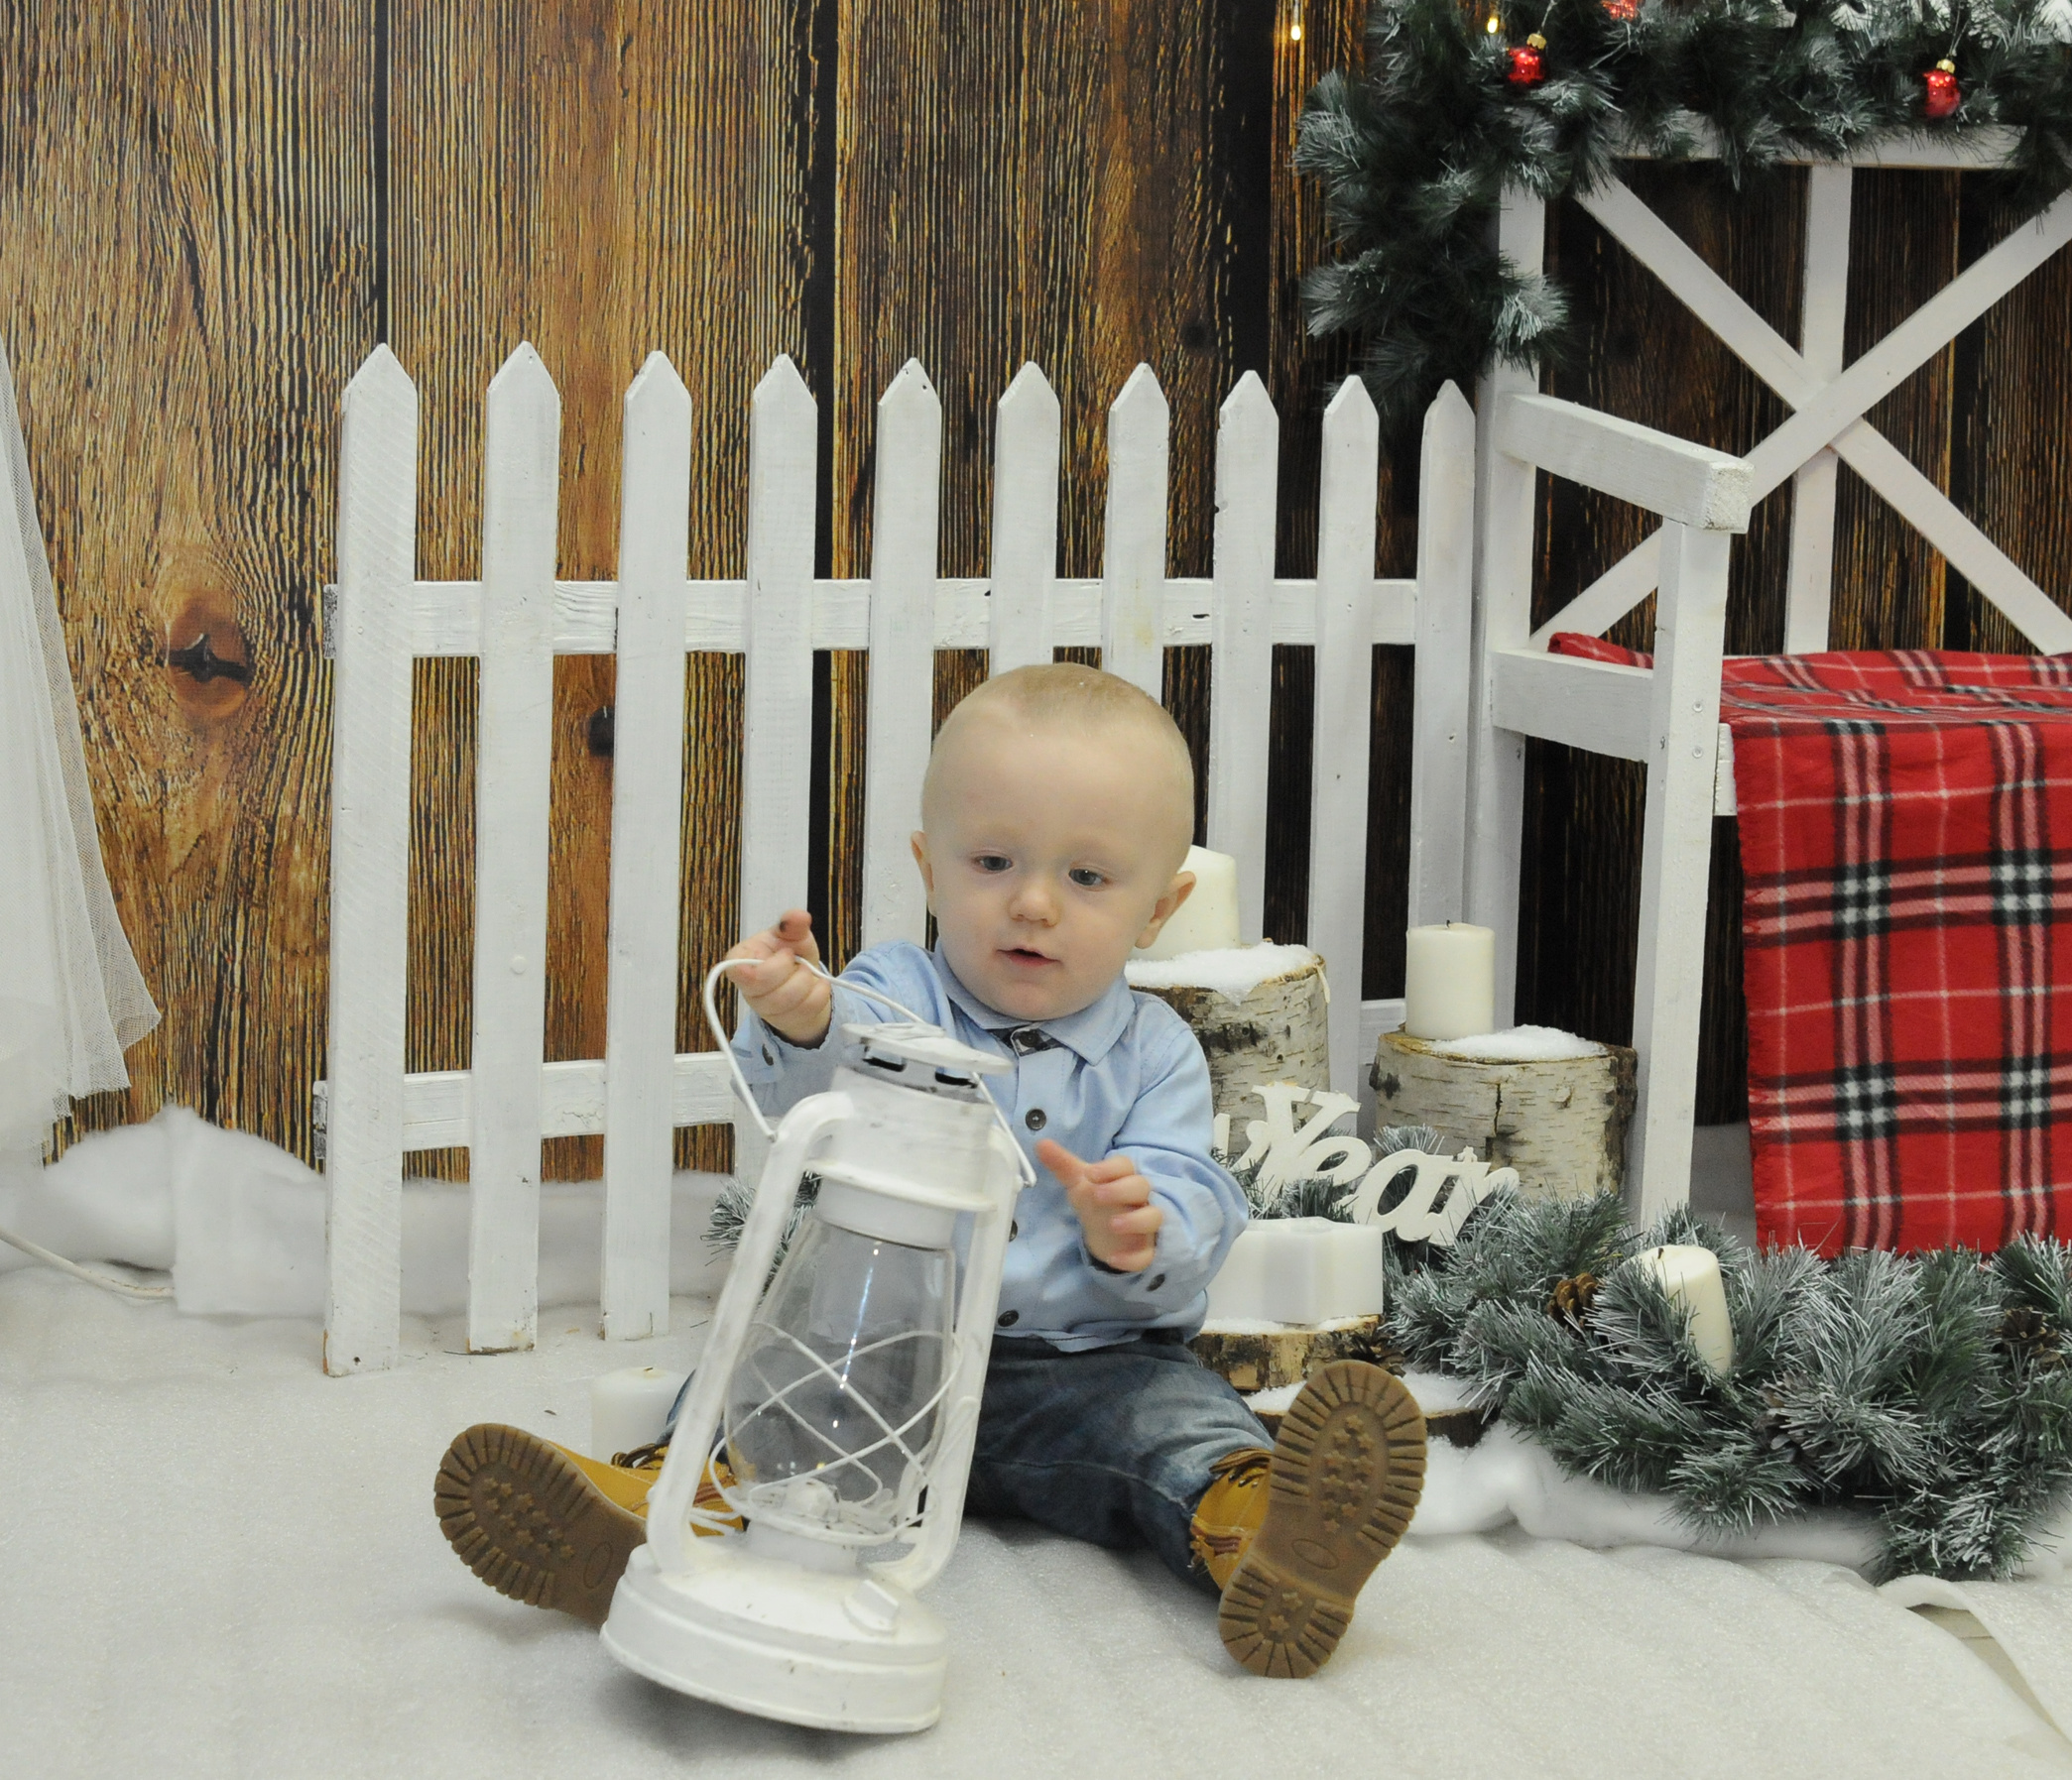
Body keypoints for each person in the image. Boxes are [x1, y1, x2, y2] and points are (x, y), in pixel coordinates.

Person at [434, 663, 1425, 1680]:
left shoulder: (1156, 1051)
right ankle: (643, 1511)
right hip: (876, 1341)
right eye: (993, 860)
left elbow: (1193, 1193)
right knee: (757, 1390)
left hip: (1088, 1364)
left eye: (1087, 878)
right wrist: (799, 1015)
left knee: (1173, 1425)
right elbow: (818, 1091)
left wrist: (1141, 1228)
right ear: (929, 865)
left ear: (1159, 907)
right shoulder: (894, 990)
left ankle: (1262, 1525)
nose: (1033, 903)